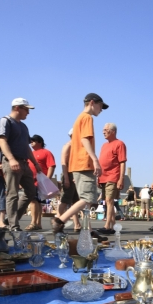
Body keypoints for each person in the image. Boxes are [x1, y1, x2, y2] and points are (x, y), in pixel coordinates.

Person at [51, 93, 108, 234]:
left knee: (87, 198)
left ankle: (87, 228)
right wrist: (95, 159)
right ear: (92, 103)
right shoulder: (87, 117)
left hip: (77, 163)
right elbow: (85, 140)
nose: (101, 109)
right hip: (84, 163)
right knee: (88, 197)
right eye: (100, 106)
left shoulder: (79, 119)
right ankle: (60, 220)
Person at [0, 98, 41, 231]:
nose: (28, 112)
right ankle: (14, 225)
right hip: (12, 161)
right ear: (17, 108)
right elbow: (2, 140)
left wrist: (35, 163)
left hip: (24, 162)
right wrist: (11, 159)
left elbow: (27, 147)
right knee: (13, 194)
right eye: (26, 109)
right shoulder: (5, 121)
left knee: (31, 192)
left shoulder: (23, 126)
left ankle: (11, 220)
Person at [96, 123, 127, 234]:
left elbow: (122, 162)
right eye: (103, 129)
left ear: (113, 131)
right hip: (103, 176)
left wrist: (121, 178)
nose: (103, 131)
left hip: (113, 176)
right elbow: (101, 163)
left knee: (109, 201)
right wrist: (98, 178)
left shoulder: (120, 144)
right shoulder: (104, 145)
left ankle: (107, 226)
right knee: (107, 201)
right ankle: (114, 226)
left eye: (106, 129)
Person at [26, 134, 56, 230]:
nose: (31, 143)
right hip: (31, 180)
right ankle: (38, 223)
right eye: (30, 141)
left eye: (33, 141)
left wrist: (47, 179)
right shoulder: (30, 153)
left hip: (40, 181)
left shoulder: (46, 152)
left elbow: (51, 165)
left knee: (35, 201)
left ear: (40, 142)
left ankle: (33, 223)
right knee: (36, 202)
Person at [57, 129, 81, 232]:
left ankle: (77, 224)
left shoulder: (77, 147)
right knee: (65, 199)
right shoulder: (68, 146)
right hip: (69, 174)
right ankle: (58, 221)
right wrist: (66, 178)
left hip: (75, 175)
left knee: (75, 201)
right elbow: (63, 163)